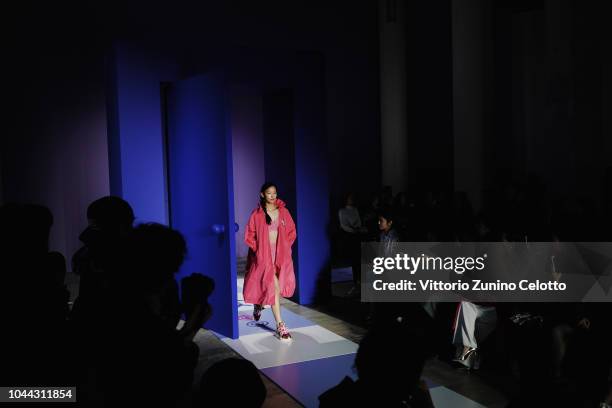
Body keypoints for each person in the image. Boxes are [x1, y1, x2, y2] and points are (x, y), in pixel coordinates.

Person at [243, 182, 297, 341]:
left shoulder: (284, 212)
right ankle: (280, 325)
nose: (272, 196)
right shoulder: (257, 214)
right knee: (274, 287)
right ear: (262, 194)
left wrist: (285, 247)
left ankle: (258, 305)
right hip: (264, 257)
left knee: (274, 288)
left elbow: (292, 231)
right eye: (269, 193)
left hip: (280, 256)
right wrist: (258, 250)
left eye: (274, 193)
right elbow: (249, 235)